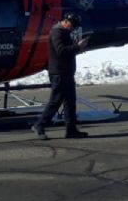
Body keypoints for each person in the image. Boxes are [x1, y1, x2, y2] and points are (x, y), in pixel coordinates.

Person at [32, 12, 89, 140]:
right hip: (59, 73)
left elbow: (67, 50)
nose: (73, 29)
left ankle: (71, 130)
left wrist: (76, 47)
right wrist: (77, 47)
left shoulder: (64, 33)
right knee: (55, 101)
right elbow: (61, 51)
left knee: (70, 102)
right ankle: (39, 125)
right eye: (73, 26)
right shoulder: (57, 32)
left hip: (66, 72)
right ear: (66, 22)